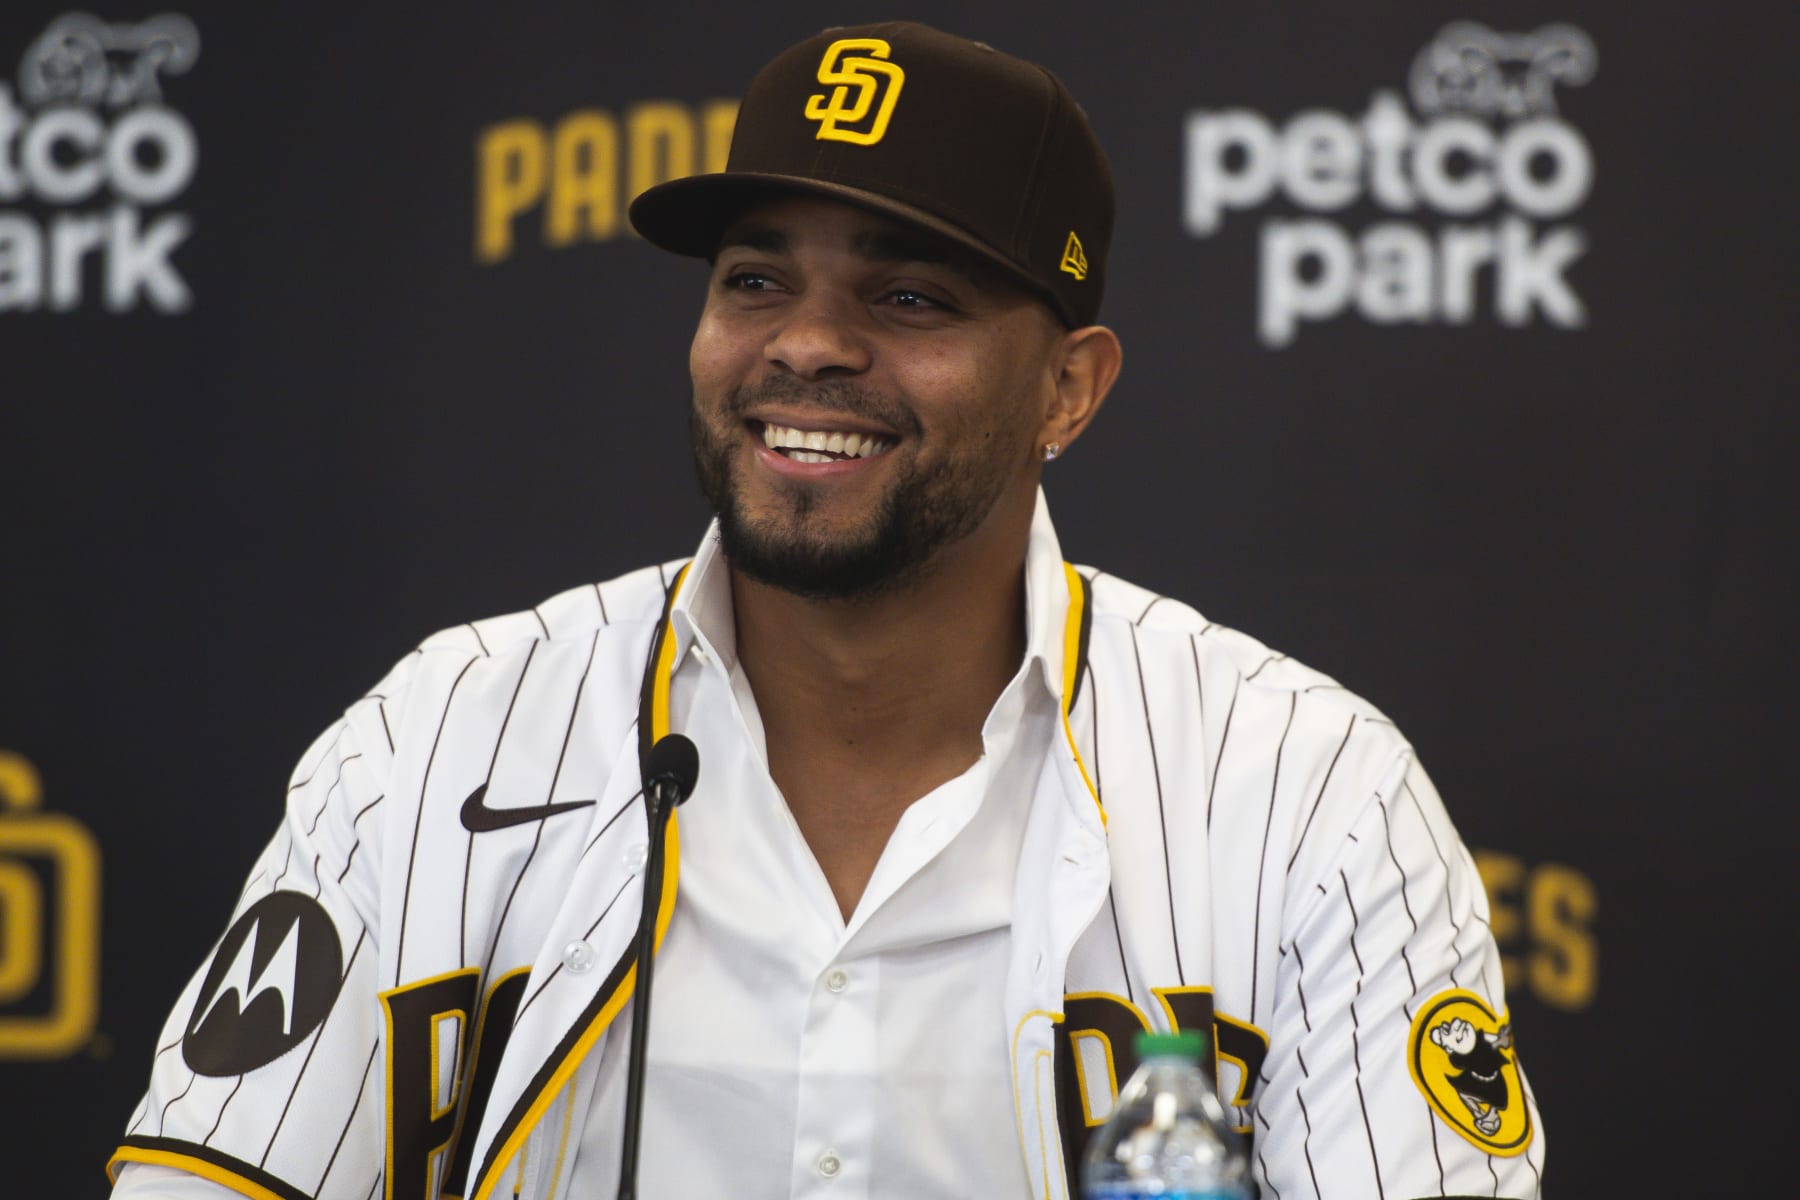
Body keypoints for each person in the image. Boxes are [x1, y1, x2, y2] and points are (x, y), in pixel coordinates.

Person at [109, 21, 1544, 1200]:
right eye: (756, 280)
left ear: (1069, 389)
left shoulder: (1308, 793)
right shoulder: (439, 740)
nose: (806, 343)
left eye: (910, 297)